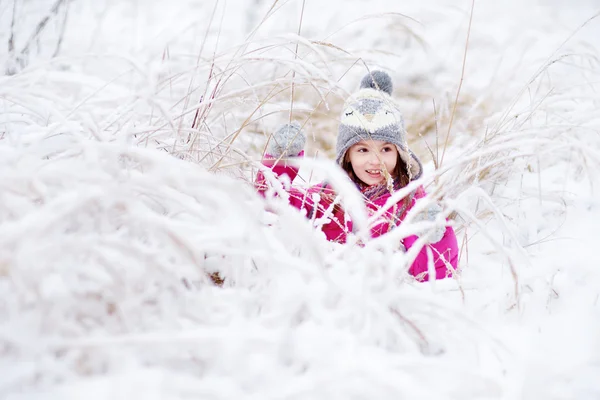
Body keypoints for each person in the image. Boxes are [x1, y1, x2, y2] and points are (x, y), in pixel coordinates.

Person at [255, 71, 458, 281]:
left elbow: (434, 275)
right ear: (347, 155)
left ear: (400, 152)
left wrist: (434, 238)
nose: (375, 160)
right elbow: (271, 207)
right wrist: (281, 161)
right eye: (363, 150)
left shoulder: (410, 204)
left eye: (386, 149)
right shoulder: (327, 197)